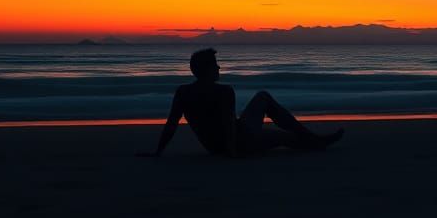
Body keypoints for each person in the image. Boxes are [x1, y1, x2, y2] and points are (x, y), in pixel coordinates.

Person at [137, 48, 343, 158]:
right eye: (215, 66)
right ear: (208, 69)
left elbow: (171, 123)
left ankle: (313, 139)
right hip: (239, 142)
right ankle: (316, 142)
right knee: (285, 137)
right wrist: (234, 153)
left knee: (263, 97)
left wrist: (158, 151)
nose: (219, 68)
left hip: (215, 146)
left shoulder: (183, 92)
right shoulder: (224, 91)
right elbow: (228, 123)